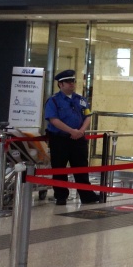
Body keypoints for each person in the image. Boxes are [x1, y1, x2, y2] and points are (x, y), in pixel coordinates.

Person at [44, 70, 100, 205]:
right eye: (68, 82)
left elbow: (87, 116)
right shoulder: (53, 101)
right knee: (59, 168)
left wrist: (80, 131)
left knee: (81, 167)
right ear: (60, 84)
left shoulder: (81, 99)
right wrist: (71, 131)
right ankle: (61, 196)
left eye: (73, 81)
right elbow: (53, 119)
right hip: (60, 139)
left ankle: (86, 195)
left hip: (78, 138)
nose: (72, 84)